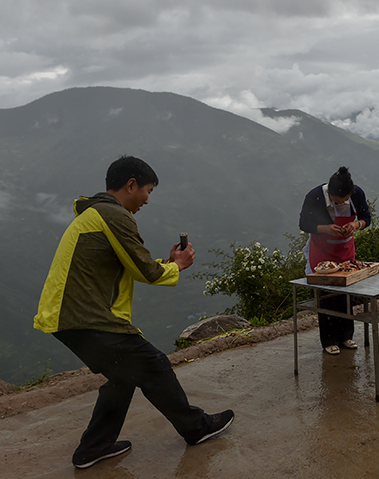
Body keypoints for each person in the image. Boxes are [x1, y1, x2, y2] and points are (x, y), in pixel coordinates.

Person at [34, 156, 234, 469]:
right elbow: (147, 271)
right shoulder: (113, 215)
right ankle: (196, 428)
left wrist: (168, 264)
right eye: (147, 191)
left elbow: (134, 263)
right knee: (154, 364)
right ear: (131, 185)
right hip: (84, 316)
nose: (147, 200)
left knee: (123, 375)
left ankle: (93, 448)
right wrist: (177, 265)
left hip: (68, 316)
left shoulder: (96, 214)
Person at [298, 166, 372, 355]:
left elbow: (366, 218)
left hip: (346, 253)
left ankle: (346, 336)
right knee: (327, 297)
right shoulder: (314, 197)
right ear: (329, 192)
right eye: (337, 201)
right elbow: (304, 223)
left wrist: (356, 224)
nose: (341, 204)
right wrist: (325, 228)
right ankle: (329, 340)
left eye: (345, 200)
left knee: (347, 296)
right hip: (323, 254)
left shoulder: (357, 194)